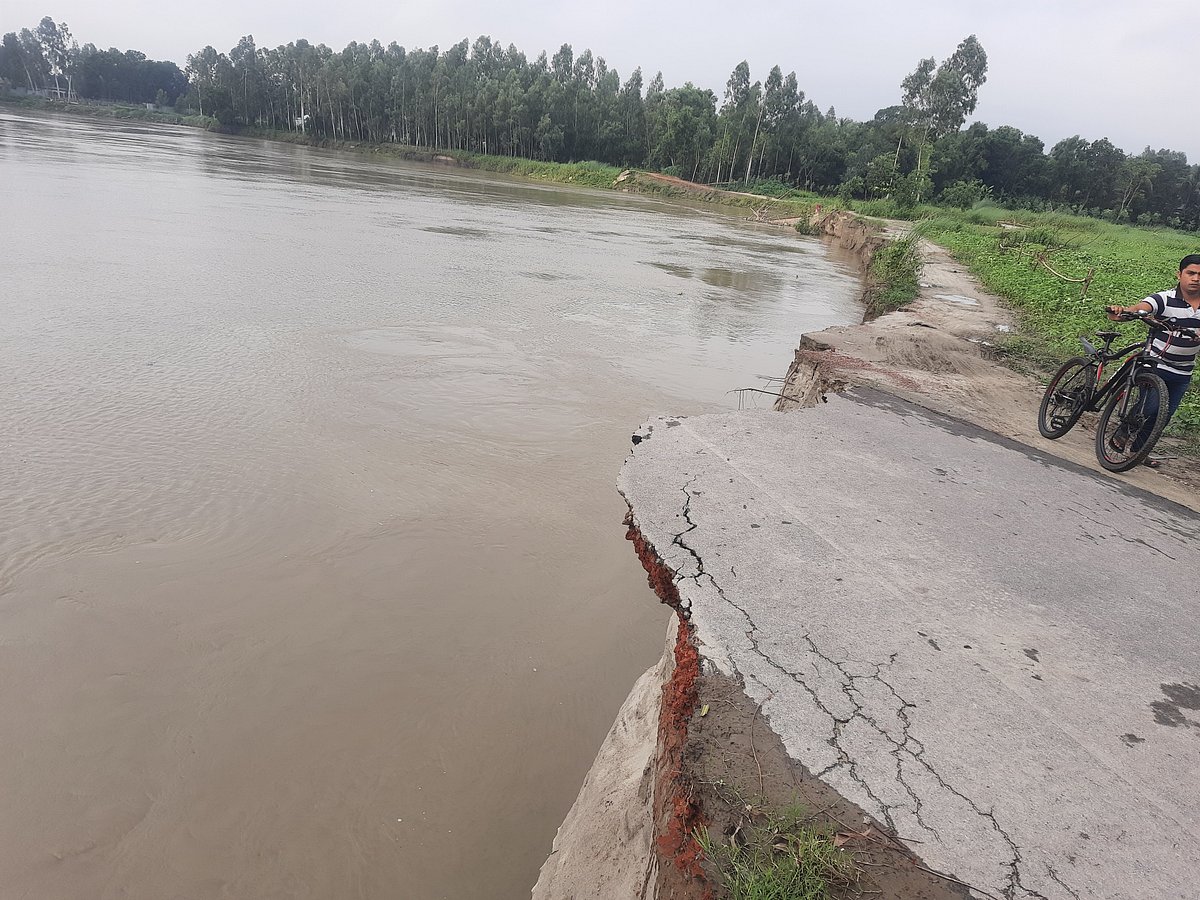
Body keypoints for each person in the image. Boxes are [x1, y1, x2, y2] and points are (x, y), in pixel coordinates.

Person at [1105, 254, 1200, 464]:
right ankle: (1123, 431)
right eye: (1191, 273)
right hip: (1155, 364)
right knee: (1150, 407)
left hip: (1183, 371)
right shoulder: (1164, 299)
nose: (1195, 278)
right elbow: (1142, 308)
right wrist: (1122, 313)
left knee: (1163, 415)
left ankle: (1139, 451)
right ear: (1180, 274)